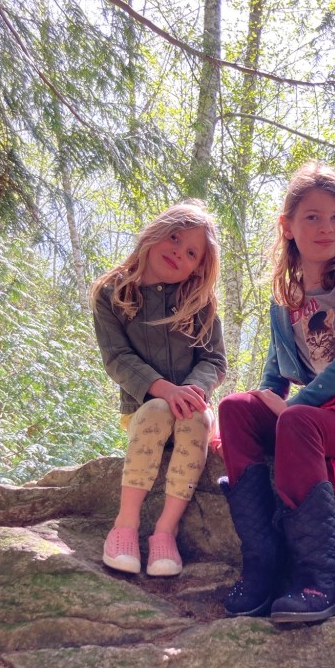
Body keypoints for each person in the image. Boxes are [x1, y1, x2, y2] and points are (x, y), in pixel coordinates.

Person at [217, 161, 335, 623]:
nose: (326, 227)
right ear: (287, 226)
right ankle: (262, 567)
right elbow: (276, 369)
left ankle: (322, 579)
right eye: (312, 217)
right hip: (313, 421)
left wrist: (292, 407)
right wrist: (267, 400)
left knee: (297, 419)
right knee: (236, 408)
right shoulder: (286, 291)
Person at [91, 200, 226, 578]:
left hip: (191, 412)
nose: (179, 252)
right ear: (155, 233)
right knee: (155, 411)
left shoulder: (199, 304)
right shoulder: (112, 293)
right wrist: (164, 390)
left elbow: (214, 361)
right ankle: (125, 526)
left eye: (192, 253)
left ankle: (165, 531)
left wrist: (192, 390)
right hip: (143, 410)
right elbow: (117, 357)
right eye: (175, 238)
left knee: (197, 418)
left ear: (198, 267)